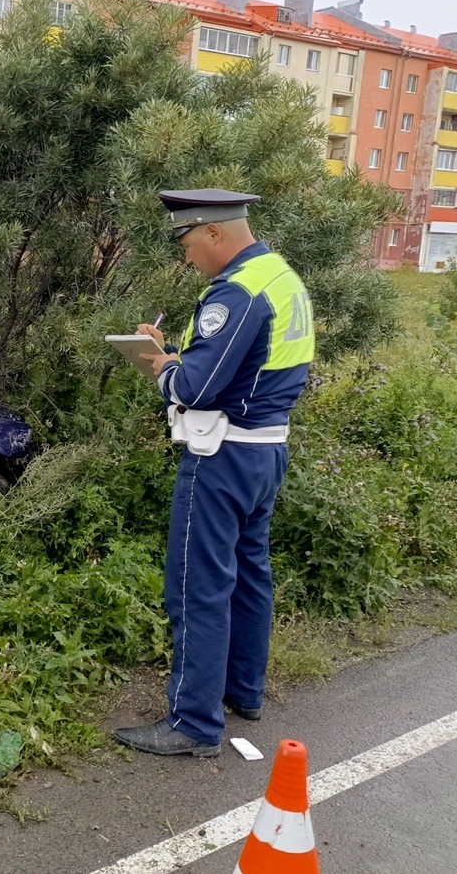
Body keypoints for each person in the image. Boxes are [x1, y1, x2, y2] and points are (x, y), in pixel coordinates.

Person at [113, 189, 315, 758]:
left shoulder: (236, 291)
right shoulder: (280, 276)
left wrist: (162, 369)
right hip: (266, 450)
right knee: (250, 573)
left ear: (215, 233)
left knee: (196, 586)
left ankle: (194, 724)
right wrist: (174, 351)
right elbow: (242, 369)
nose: (186, 256)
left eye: (188, 242)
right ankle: (243, 691)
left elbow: (195, 389)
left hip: (221, 459)